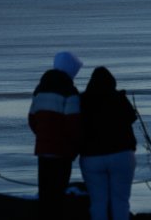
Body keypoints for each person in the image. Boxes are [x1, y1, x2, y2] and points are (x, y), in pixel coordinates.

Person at [29, 51, 83, 220]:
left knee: (45, 194)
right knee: (58, 194)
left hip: (43, 148)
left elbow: (32, 118)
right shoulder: (70, 91)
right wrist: (75, 147)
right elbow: (73, 124)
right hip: (62, 151)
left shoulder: (40, 89)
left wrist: (43, 135)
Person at [79, 66, 138, 220]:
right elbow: (132, 117)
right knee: (121, 201)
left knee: (98, 202)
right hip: (122, 154)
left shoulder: (83, 101)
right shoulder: (119, 98)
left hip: (92, 156)